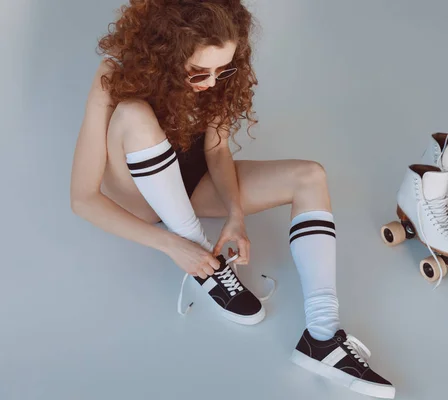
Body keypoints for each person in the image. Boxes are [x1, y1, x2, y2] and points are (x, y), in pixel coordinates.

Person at [70, 0, 395, 398]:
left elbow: (217, 152)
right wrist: (174, 246)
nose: (211, 81)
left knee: (310, 175)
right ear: (165, 53)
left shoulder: (216, 78)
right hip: (141, 195)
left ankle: (322, 338)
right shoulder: (114, 74)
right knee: (135, 113)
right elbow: (83, 198)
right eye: (198, 72)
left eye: (223, 69)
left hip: (193, 183)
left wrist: (235, 216)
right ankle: (203, 261)